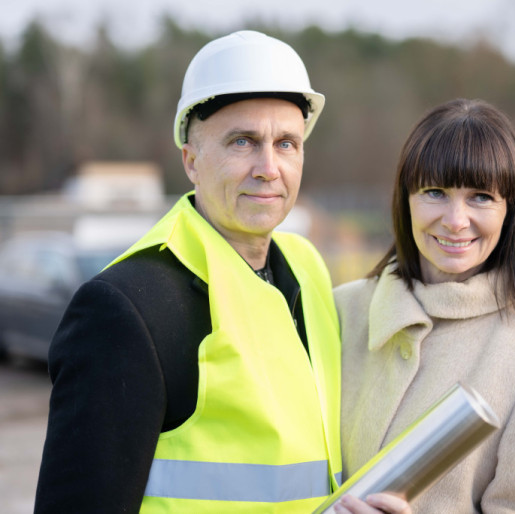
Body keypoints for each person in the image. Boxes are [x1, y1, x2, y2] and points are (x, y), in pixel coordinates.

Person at [35, 30, 409, 514]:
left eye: (287, 143)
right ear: (191, 161)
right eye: (243, 142)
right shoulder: (130, 307)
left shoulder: (307, 268)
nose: (269, 168)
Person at [334, 98, 515, 513]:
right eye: (435, 192)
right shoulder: (339, 312)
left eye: (481, 197)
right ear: (405, 199)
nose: (455, 220)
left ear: (510, 211)